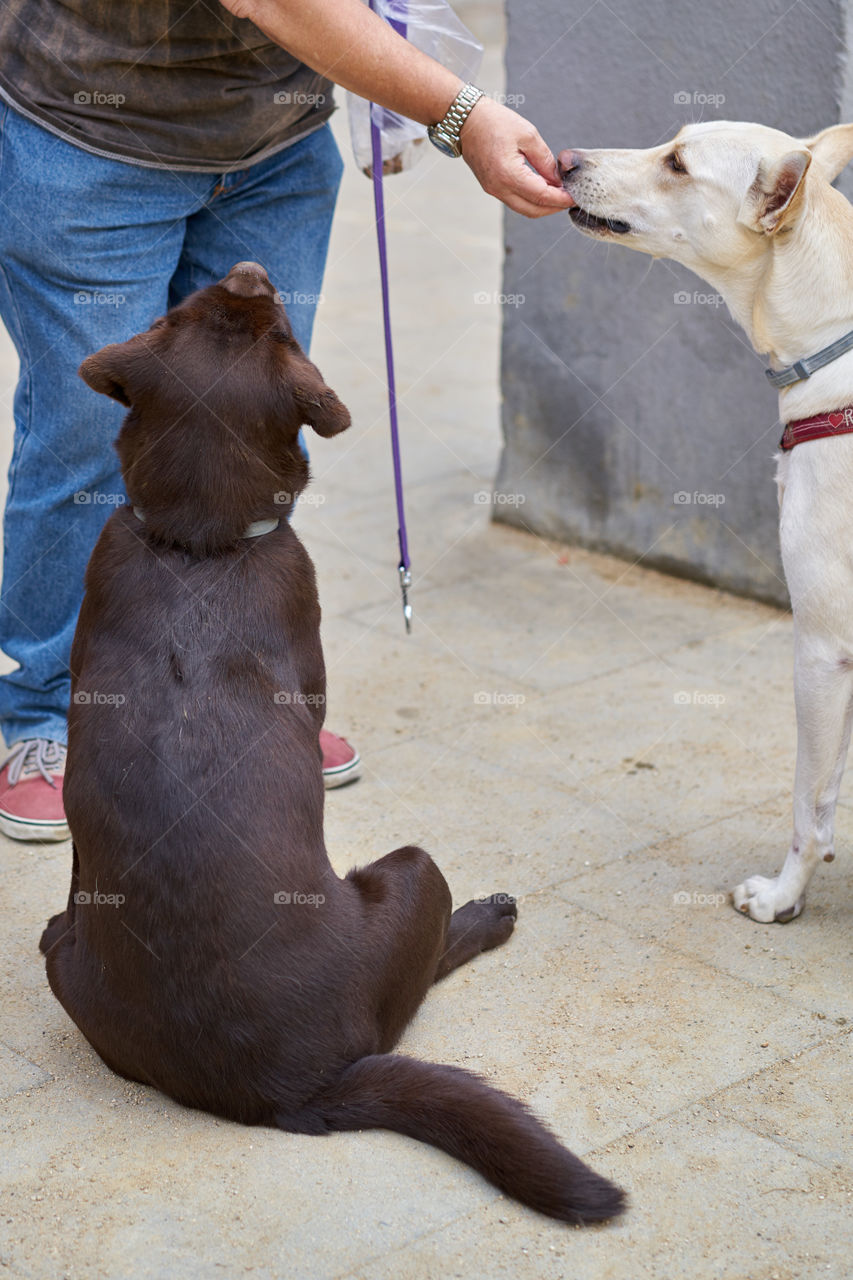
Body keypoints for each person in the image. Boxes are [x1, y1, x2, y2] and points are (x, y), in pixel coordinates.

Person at [0, 0, 573, 841]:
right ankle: (47, 713)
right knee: (86, 433)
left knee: (255, 426)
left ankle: (231, 698)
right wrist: (459, 112)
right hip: (90, 138)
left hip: (277, 143)